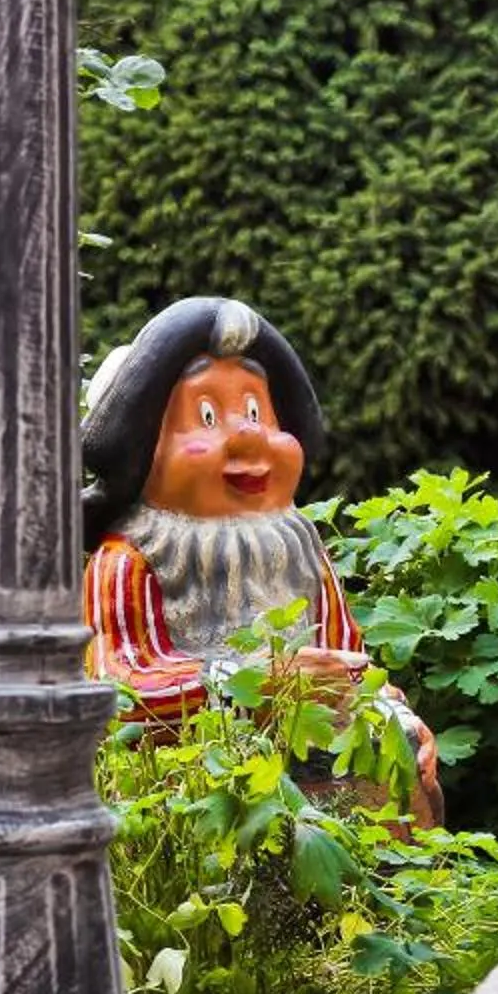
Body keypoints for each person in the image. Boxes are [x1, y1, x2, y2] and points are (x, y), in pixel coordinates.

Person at [78, 295, 441, 822]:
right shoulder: (127, 562)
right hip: (198, 789)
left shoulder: (301, 552)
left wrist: (396, 713)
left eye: (255, 411)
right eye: (206, 415)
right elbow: (119, 690)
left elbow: (349, 662)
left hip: (331, 772)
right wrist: (253, 678)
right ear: (143, 452)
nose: (249, 435)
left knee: (405, 775)